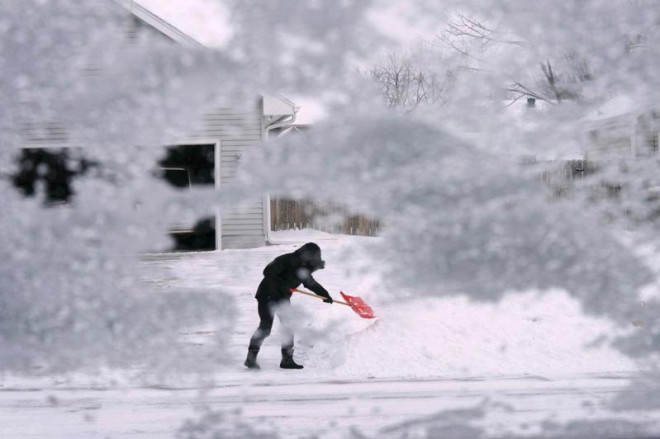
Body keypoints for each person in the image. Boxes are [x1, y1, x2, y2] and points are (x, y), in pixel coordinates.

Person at [244, 242, 333, 370]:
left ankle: (287, 360)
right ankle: (250, 359)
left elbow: (311, 284)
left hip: (282, 298)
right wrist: (282, 285)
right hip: (267, 295)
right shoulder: (286, 260)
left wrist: (325, 295)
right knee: (265, 327)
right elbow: (268, 271)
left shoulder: (304, 268)